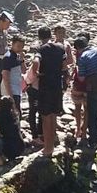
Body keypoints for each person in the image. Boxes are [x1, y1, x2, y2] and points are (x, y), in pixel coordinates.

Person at [33, 26, 67, 156]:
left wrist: (36, 72)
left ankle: (47, 149)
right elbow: (65, 65)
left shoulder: (40, 49)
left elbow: (36, 61)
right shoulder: (60, 47)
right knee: (53, 116)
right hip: (57, 86)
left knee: (46, 118)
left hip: (45, 86)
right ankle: (51, 146)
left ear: (40, 37)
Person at [0, 96, 25, 166]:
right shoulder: (15, 114)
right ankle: (2, 157)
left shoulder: (0, 115)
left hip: (10, 150)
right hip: (20, 147)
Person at [1, 35, 27, 114]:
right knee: (12, 113)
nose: (20, 49)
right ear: (12, 44)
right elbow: (5, 77)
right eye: (18, 46)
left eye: (22, 47)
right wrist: (10, 95)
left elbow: (24, 71)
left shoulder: (17, 56)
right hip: (10, 89)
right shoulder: (8, 57)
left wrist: (22, 60)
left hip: (17, 88)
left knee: (17, 112)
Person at [71, 35, 89, 140]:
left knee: (77, 108)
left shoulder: (77, 54)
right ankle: (84, 131)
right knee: (86, 109)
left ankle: (78, 129)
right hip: (87, 85)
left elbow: (75, 68)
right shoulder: (89, 55)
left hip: (78, 84)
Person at [24, 45, 42, 142]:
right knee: (33, 111)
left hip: (37, 89)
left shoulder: (40, 59)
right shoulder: (37, 60)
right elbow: (34, 71)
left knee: (39, 111)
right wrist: (39, 74)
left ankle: (39, 133)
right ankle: (35, 136)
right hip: (33, 89)